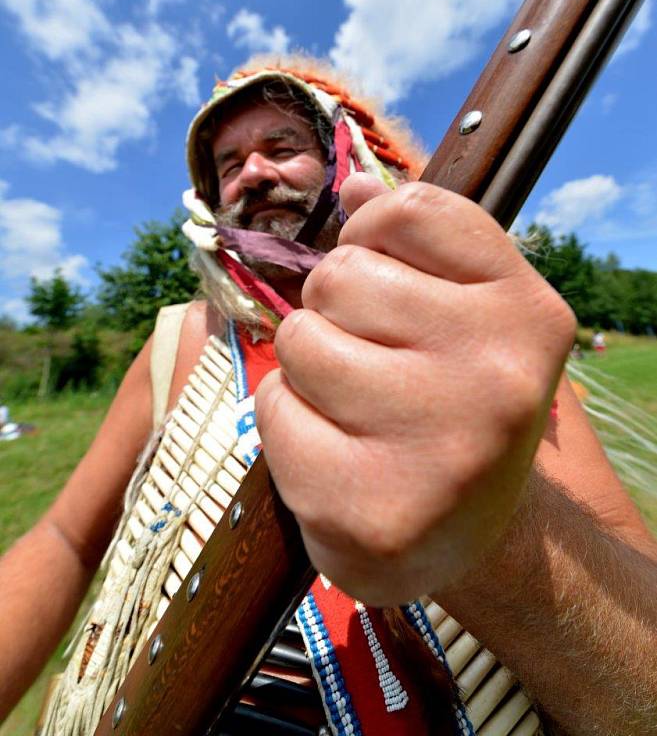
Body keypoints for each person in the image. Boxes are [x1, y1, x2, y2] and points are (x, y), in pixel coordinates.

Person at [1, 56, 656, 735]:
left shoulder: (470, 324)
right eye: (228, 165)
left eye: (281, 147)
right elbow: (66, 539)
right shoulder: (182, 340)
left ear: (346, 156)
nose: (252, 172)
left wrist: (487, 538)